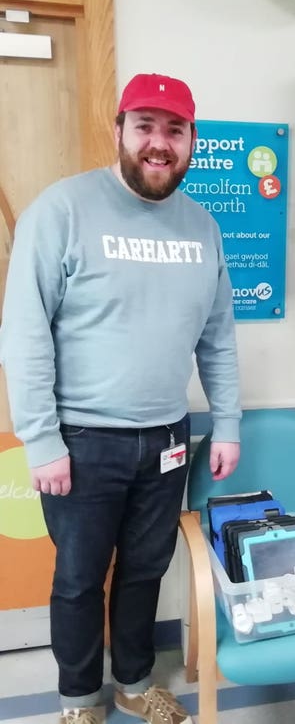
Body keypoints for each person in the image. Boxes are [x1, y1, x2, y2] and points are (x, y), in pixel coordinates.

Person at [0, 73, 241, 724]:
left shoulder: (203, 227)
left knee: (144, 569)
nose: (159, 143)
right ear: (119, 130)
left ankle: (135, 681)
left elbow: (217, 336)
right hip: (81, 442)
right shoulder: (63, 209)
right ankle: (81, 698)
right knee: (79, 578)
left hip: (167, 437)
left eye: (175, 129)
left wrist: (227, 424)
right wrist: (41, 439)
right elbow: (23, 332)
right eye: (145, 126)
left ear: (192, 140)